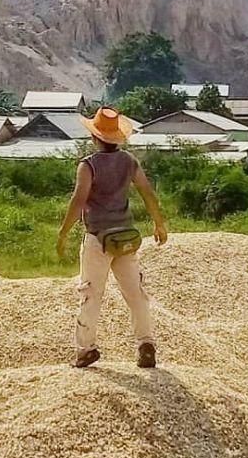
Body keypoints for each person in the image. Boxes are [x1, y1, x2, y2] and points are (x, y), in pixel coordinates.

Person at [56, 106, 168, 370]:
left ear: (95, 137)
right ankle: (146, 344)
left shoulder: (88, 165)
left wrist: (63, 233)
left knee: (91, 294)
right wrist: (159, 223)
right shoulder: (129, 161)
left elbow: (78, 200)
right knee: (135, 294)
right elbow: (147, 192)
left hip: (98, 238)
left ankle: (86, 349)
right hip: (125, 238)